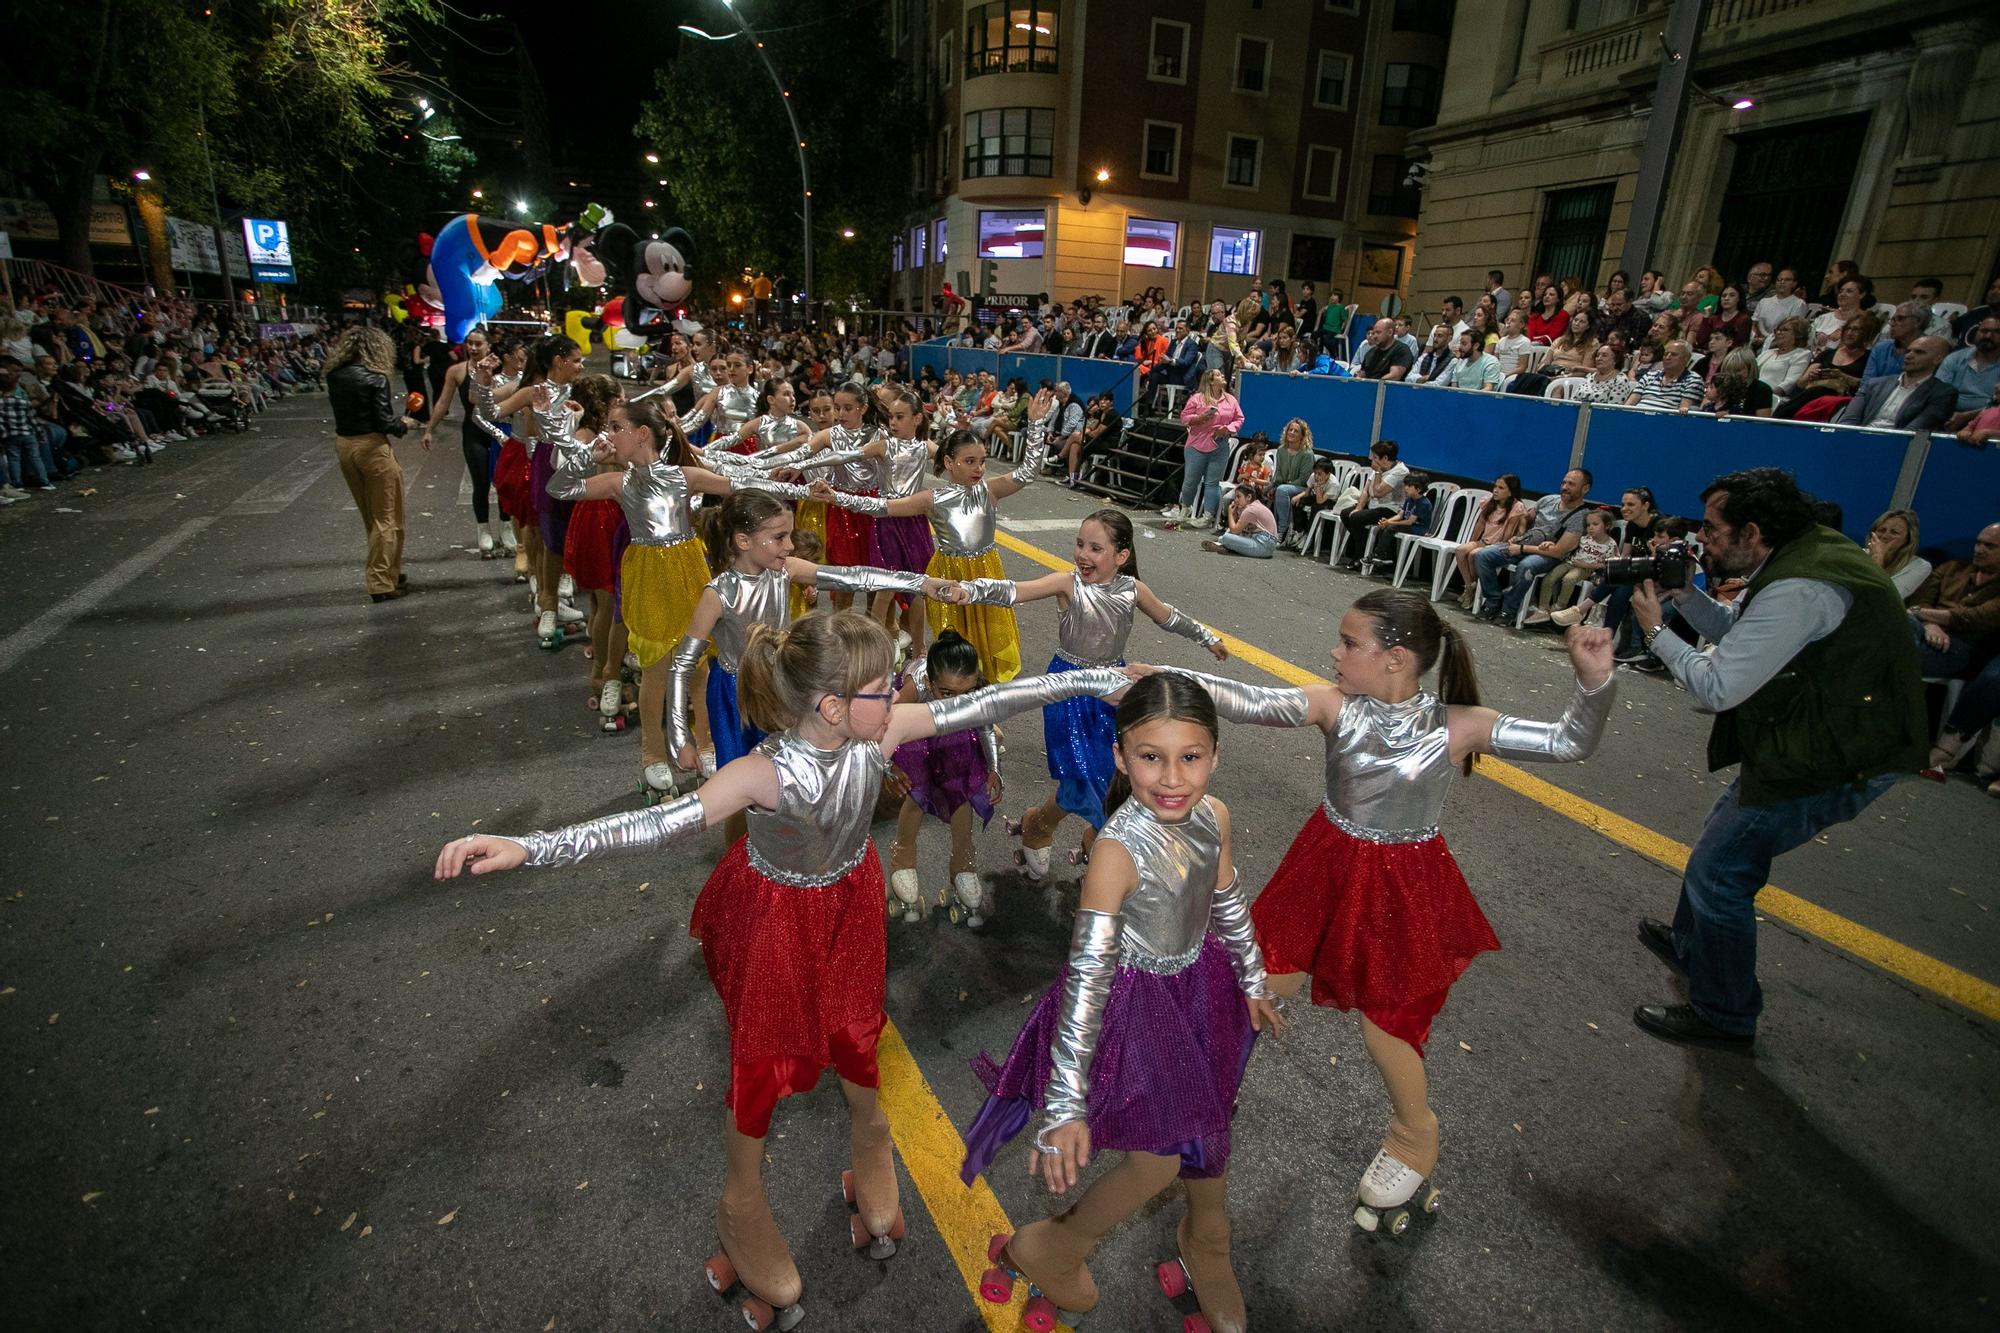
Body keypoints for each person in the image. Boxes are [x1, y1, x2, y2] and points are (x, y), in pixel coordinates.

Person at [434, 613, 1128, 1332]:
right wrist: (528, 845)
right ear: (832, 707)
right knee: (765, 1059)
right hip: (775, 921)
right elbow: (654, 824)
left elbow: (985, 701)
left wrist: (1097, 678)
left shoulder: (878, 732)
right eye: (883, 688)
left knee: (858, 1030)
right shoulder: (762, 773)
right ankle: (740, 1197)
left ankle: (872, 1134)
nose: (901, 695)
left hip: (849, 905)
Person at [1154, 590, 1614, 1235]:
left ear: (1395, 658)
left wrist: (1594, 686)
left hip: (1403, 884)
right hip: (1325, 866)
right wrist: (1174, 683)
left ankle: (1412, 1137)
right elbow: (1252, 699)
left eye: (1349, 643)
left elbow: (1568, 744)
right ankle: (1201, 1096)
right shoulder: (1334, 705)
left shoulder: (1460, 725)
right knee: (1251, 980)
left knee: (1387, 1025)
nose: (1335, 653)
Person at [962, 672, 1276, 1333]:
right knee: (1162, 1153)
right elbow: (1085, 975)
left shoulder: (1214, 815)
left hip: (1197, 989)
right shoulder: (1116, 849)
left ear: (1215, 754)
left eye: (1190, 757)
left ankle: (1080, 1244)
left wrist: (1251, 975)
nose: (1172, 777)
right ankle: (1058, 1244)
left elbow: (1225, 899)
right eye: (1150, 756)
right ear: (1120, 755)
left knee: (1190, 1131)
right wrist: (1066, 1104)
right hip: (1129, 1006)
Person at [1628, 468, 1928, 1044]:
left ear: (1753, 530)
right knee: (1722, 834)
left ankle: (1725, 1014)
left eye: (1713, 529)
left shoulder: (1801, 588)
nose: (1703, 539)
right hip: (1817, 734)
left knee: (1722, 870)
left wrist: (1656, 631)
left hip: (1842, 753)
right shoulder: (1799, 554)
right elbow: (1739, 628)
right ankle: (1693, 945)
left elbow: (1719, 686)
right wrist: (1687, 595)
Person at [957, 509, 1226, 874]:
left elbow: (1169, 617)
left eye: (1096, 548)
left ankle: (1048, 826)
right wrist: (970, 590)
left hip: (1115, 689)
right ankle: (1094, 841)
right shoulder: (1069, 585)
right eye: (1080, 544)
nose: (1083, 554)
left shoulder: (1133, 590)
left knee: (1112, 772)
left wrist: (1208, 638)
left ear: (1121, 556)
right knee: (1087, 773)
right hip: (1068, 690)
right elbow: (1016, 591)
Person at [816, 406, 1055, 684]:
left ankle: (984, 696)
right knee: (955, 638)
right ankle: (957, 695)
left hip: (986, 571)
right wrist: (836, 497)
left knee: (988, 638)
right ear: (949, 462)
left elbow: (1027, 472)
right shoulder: (933, 498)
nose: (978, 468)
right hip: (949, 574)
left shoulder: (990, 490)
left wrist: (1036, 425)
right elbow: (882, 507)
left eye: (982, 461)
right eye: (969, 461)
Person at [884, 630, 1003, 926]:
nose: (957, 703)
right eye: (947, 694)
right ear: (929, 684)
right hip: (915, 728)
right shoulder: (914, 689)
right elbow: (881, 725)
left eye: (966, 694)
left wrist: (994, 768)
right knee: (918, 792)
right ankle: (903, 861)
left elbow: (985, 726)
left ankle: (964, 864)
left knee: (961, 790)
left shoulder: (974, 691)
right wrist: (887, 767)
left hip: (956, 735)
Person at [325, 327, 419, 604]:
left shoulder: (335, 375)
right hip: (372, 447)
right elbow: (384, 421)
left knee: (371, 515)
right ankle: (381, 580)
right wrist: (404, 423)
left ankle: (389, 572)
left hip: (345, 445)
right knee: (389, 516)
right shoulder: (375, 378)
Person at [1912, 524, 2000, 794]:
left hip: (1964, 649)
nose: (1979, 549)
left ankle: (1945, 750)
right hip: (1926, 633)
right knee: (1897, 625)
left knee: (1994, 677)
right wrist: (1931, 625)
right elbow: (1919, 603)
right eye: (1978, 542)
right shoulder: (1951, 569)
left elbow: (1976, 619)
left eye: (1990, 546)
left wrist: (1928, 616)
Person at [1473, 468, 1593, 622]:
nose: (1564, 487)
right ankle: (1493, 600)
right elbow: (1525, 518)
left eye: (1571, 484)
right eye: (1564, 482)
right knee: (1483, 555)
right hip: (1524, 544)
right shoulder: (1548, 500)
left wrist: (1522, 548)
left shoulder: (1581, 516)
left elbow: (1558, 552)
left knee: (1526, 566)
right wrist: (1521, 535)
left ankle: (1508, 609)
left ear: (1585, 489)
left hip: (1548, 556)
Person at [1161, 369, 1243, 525]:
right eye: (1219, 375)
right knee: (1191, 480)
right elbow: (1185, 417)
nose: (1222, 376)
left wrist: (1228, 428)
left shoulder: (1231, 399)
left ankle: (1208, 516)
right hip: (1197, 444)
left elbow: (1239, 419)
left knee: (1212, 482)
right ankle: (1185, 508)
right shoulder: (1197, 398)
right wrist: (1200, 418)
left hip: (1220, 444)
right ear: (1210, 381)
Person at [1834, 336, 1957, 430]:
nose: (1908, 356)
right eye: (1908, 351)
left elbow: (1913, 432)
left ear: (1937, 359)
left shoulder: (1943, 393)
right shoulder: (1875, 384)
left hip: (1898, 450)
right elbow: (1848, 422)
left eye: (1919, 352)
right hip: (1859, 441)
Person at [1450, 476, 1532, 608]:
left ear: (1510, 492)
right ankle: (1470, 587)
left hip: (1498, 544)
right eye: (1495, 487)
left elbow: (1509, 532)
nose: (1495, 490)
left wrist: (1496, 546)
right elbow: (1480, 524)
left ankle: (1473, 593)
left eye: (1500, 488)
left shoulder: (1516, 507)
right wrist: (1472, 541)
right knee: (1460, 550)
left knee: (1473, 554)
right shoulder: (1489, 502)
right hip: (1484, 541)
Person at [1525, 507, 1617, 623]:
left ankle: (1559, 606)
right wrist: (1551, 543)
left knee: (1569, 579)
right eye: (1588, 525)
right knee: (1550, 578)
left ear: (1607, 526)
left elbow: (1608, 564)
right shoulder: (1584, 538)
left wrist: (1590, 566)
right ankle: (1543, 609)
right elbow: (1567, 545)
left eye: (1595, 524)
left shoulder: (1611, 545)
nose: (1590, 528)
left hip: (1585, 568)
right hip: (1570, 562)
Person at [1336, 439, 1411, 561]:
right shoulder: (1380, 467)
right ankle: (1364, 546)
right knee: (1346, 514)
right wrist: (1359, 507)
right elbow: (1366, 490)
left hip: (1391, 509)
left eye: (1375, 457)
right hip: (1373, 505)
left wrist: (1377, 472)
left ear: (1385, 458)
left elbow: (1378, 492)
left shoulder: (1400, 471)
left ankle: (1359, 555)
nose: (1373, 461)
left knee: (1356, 518)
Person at [1864, 508, 1932, 600]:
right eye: (1881, 530)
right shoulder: (1858, 554)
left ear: (1908, 540)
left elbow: (1886, 598)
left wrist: (1878, 558)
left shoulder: (1920, 566)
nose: (1885, 536)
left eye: (1894, 532)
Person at [1202, 481, 1281, 558]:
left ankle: (1224, 545)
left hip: (1264, 545)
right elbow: (1237, 530)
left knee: (1226, 538)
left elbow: (1234, 530)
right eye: (1235, 497)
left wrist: (1230, 513)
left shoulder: (1250, 510)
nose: (1235, 500)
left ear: (1249, 497)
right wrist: (1235, 514)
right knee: (1224, 538)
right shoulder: (1252, 506)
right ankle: (1223, 545)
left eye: (1238, 496)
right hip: (1262, 541)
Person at [1267, 418, 1316, 537]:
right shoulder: (1281, 450)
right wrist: (1273, 486)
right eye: (1290, 429)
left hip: (1303, 489)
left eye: (1296, 431)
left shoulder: (1307, 454)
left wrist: (1283, 486)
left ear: (1302, 436)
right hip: (1283, 485)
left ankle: (1282, 531)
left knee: (1283, 490)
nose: (1292, 433)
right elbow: (1278, 474)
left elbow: (1304, 479)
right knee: (1262, 489)